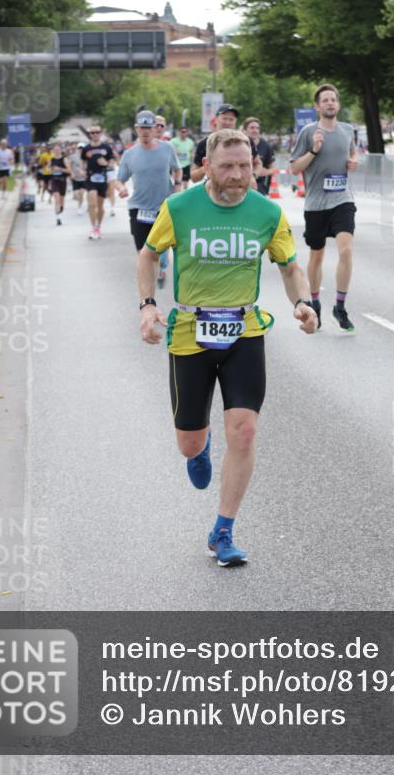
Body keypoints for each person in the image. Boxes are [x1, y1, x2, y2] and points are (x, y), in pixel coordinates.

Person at [137, 128, 317, 566]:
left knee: (246, 429)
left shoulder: (267, 213)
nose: (238, 175)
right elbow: (148, 255)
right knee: (188, 443)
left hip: (244, 330)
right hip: (189, 333)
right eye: (227, 167)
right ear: (206, 167)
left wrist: (305, 303)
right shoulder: (178, 208)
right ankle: (200, 445)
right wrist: (147, 306)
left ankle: (223, 530)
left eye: (245, 165)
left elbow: (290, 267)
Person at [290, 84, 359, 332]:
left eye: (333, 100)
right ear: (318, 106)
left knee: (346, 251)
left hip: (342, 199)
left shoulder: (347, 130)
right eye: (325, 100)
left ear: (338, 105)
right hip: (316, 203)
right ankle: (316, 301)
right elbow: (295, 168)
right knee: (316, 255)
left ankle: (340, 306)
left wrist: (354, 162)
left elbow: (352, 152)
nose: (330, 103)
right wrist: (314, 150)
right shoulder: (309, 132)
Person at [116, 109, 182, 286]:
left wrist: (177, 186)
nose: (145, 132)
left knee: (161, 247)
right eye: (141, 128)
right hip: (138, 208)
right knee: (142, 253)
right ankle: (147, 294)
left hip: (163, 207)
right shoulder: (129, 154)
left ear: (155, 129)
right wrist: (121, 189)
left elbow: (177, 168)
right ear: (136, 129)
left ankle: (160, 265)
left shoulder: (167, 148)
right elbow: (119, 179)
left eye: (148, 128)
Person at [191, 104, 259, 184]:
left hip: (239, 189)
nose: (227, 122)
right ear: (216, 119)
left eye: (231, 119)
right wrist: (209, 166)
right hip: (214, 191)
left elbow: (258, 163)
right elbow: (193, 177)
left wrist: (253, 176)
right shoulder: (205, 144)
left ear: (235, 121)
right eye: (224, 118)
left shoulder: (246, 141)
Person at [81, 125, 117, 240]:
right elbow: (83, 164)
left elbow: (112, 163)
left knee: (100, 206)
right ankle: (93, 228)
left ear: (100, 133)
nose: (95, 134)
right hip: (90, 178)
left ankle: (98, 227)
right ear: (90, 135)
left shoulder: (106, 148)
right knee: (92, 204)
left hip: (102, 178)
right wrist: (82, 171)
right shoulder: (86, 149)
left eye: (97, 132)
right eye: (92, 133)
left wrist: (106, 163)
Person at [241, 117, 278, 195]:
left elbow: (274, 168)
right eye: (252, 128)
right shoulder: (239, 144)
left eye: (257, 128)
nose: (255, 130)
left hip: (260, 186)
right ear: (245, 130)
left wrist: (266, 171)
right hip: (242, 184)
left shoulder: (266, 146)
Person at [49, 143, 71, 225]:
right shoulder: (51, 160)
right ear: (53, 151)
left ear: (61, 150)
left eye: (58, 150)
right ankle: (58, 218)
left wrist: (59, 169)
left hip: (62, 181)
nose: (56, 151)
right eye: (55, 150)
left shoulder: (64, 159)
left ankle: (61, 208)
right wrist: (50, 169)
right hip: (54, 181)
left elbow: (69, 171)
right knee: (56, 198)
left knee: (61, 199)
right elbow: (48, 170)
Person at [69, 143, 88, 214]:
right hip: (75, 178)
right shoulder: (73, 157)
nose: (81, 149)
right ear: (77, 149)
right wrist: (71, 173)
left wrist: (85, 173)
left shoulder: (87, 157)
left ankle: (79, 207)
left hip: (83, 179)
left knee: (82, 193)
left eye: (82, 148)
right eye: (80, 148)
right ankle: (80, 202)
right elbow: (70, 165)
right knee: (76, 195)